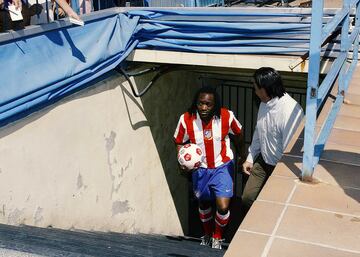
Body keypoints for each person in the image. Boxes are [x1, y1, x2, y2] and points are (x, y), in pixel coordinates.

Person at [174, 86, 245, 249]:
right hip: (200, 170)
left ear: (215, 105)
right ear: (196, 103)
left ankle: (217, 236)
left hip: (222, 166)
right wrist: (181, 162)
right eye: (200, 103)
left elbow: (239, 134)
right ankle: (206, 234)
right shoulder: (186, 119)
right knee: (204, 204)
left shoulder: (226, 116)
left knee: (223, 205)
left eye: (208, 104)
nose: (204, 107)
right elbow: (178, 140)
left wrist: (242, 155)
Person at [242, 67, 304, 214]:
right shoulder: (265, 103)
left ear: (265, 89)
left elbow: (291, 150)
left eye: (256, 88)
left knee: (276, 205)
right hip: (264, 160)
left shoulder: (289, 110)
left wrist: (280, 176)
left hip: (282, 166)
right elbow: (259, 131)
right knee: (247, 197)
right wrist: (250, 158)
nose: (254, 91)